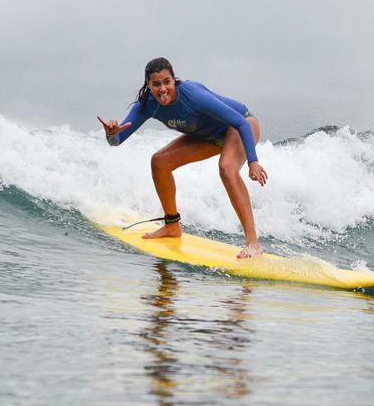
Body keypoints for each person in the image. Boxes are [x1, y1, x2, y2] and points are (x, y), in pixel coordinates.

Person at [98, 58, 268, 259]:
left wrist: (253, 161)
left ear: (174, 80)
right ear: (148, 85)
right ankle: (172, 226)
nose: (162, 89)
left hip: (241, 126)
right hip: (208, 137)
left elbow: (239, 122)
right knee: (159, 162)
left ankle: (253, 244)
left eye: (167, 82)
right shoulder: (147, 105)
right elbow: (117, 141)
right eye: (156, 84)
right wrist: (111, 134)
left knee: (226, 167)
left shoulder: (193, 95)